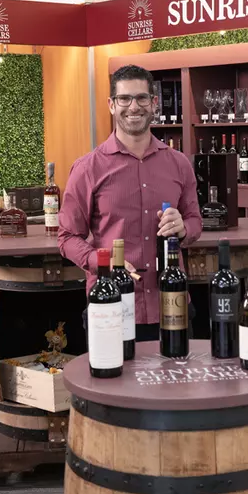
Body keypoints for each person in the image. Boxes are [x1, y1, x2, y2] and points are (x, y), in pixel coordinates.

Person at [58, 64, 201, 340]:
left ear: (154, 103)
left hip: (171, 303)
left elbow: (195, 221)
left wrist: (184, 228)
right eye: (124, 98)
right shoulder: (87, 168)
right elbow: (67, 237)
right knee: (111, 370)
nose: (133, 107)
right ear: (112, 105)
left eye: (141, 98)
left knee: (178, 369)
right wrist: (102, 261)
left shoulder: (179, 164)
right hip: (111, 304)